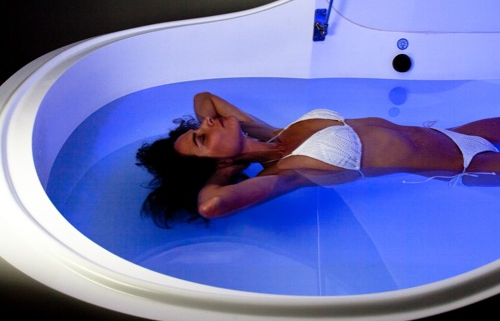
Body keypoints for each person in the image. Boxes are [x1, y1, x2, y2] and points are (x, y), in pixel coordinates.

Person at [136, 91, 500, 227]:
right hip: (468, 166)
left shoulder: (270, 132)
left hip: (455, 132)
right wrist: (222, 173)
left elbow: (205, 98)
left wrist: (210, 136)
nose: (207, 122)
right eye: (202, 138)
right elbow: (211, 205)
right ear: (218, 164)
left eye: (198, 127)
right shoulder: (287, 173)